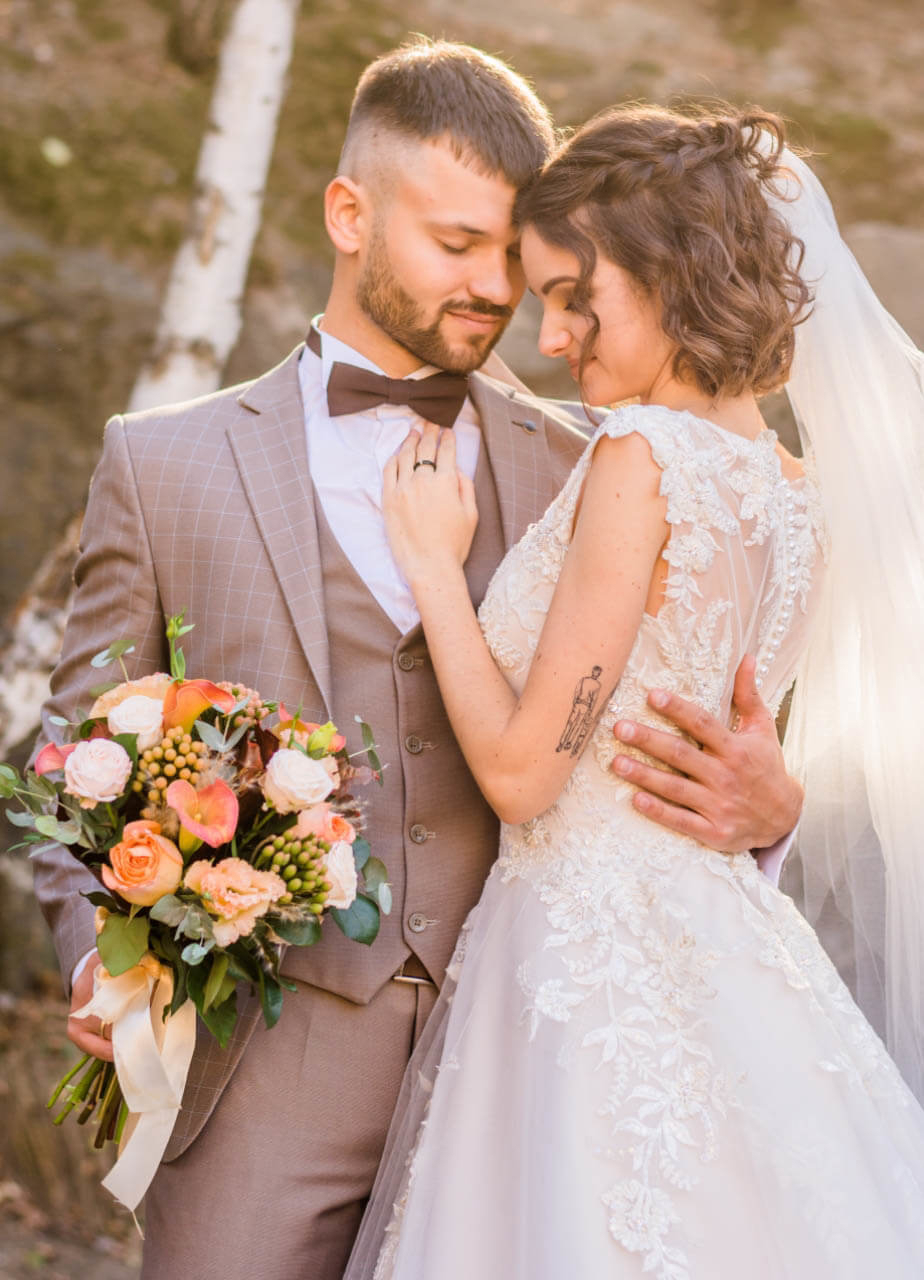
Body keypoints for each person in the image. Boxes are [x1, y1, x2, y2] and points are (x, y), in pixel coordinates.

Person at [31, 44, 800, 1278]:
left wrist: (772, 806)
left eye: (513, 253)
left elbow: (709, 694)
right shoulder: (160, 464)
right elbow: (71, 757)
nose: (496, 291)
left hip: (536, 1063)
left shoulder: (600, 452)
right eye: (457, 244)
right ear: (350, 213)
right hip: (257, 1075)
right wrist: (103, 959)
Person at [344, 105, 924, 1278]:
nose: (554, 332)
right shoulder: (794, 491)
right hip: (727, 950)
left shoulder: (640, 459)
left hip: (586, 956)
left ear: (669, 273)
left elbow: (521, 774)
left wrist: (431, 569)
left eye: (574, 295)